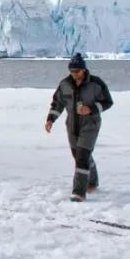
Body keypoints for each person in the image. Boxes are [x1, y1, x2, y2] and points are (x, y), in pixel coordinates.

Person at [45, 53, 113, 202]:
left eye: (77, 71)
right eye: (72, 71)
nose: (74, 74)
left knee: (82, 157)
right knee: (79, 156)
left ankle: (78, 193)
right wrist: (51, 119)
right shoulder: (65, 84)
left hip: (90, 124)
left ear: (84, 69)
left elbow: (108, 102)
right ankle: (92, 182)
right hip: (72, 125)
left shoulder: (96, 83)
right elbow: (57, 103)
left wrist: (92, 109)